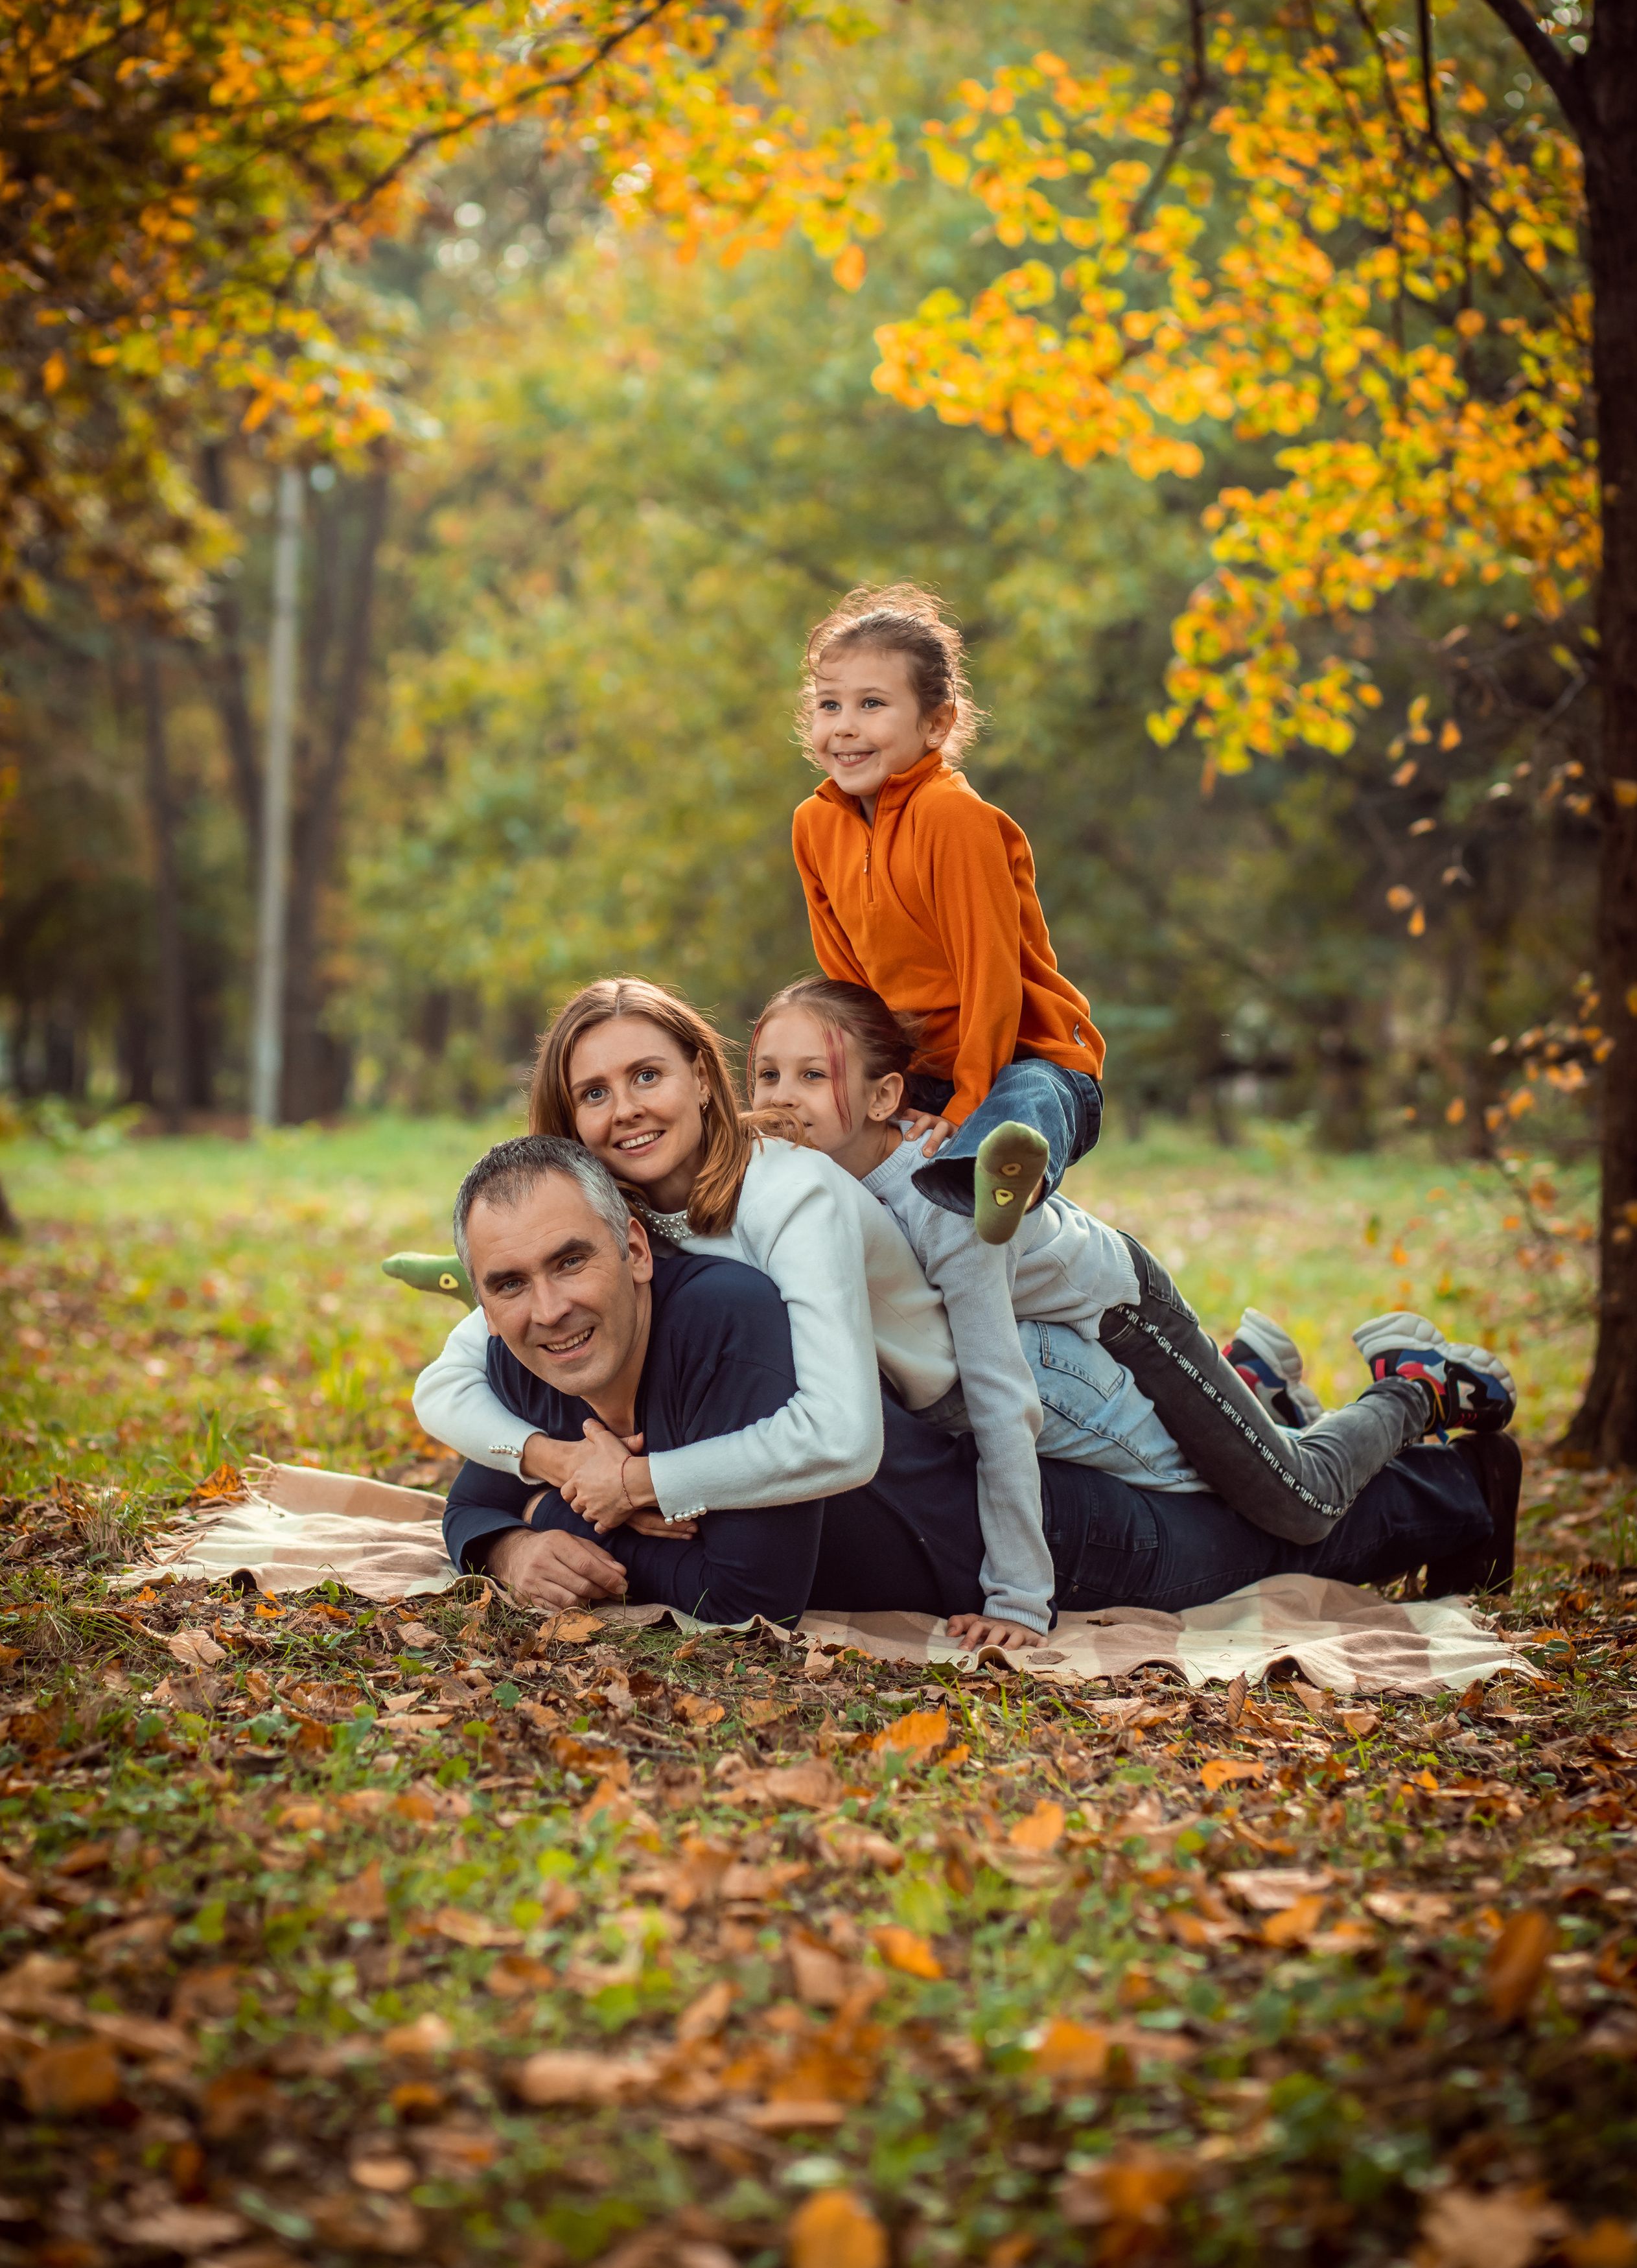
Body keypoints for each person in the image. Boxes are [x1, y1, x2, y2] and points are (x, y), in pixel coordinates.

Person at [441, 1136, 1518, 1628]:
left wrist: (615, 1529)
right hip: (966, 1519)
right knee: (1261, 1499)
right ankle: (1259, 1394)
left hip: (1041, 1538)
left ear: (633, 1249)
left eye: (570, 1260)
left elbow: (749, 1591)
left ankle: (1462, 1475)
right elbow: (477, 1487)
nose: (546, 1308)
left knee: (1291, 1535)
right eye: (510, 1283)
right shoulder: (529, 1351)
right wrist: (517, 1537)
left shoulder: (723, 1324)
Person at [748, 976, 1522, 1642]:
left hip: (1126, 1315)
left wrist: (1019, 1597)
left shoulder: (945, 1199)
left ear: (884, 1096)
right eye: (766, 1076)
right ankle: (1251, 1387)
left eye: (811, 1076)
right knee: (1240, 1461)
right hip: (1072, 1341)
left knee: (1299, 1501)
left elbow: (999, 1395)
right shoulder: (827, 1176)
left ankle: (1415, 1385)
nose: (782, 1099)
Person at [413, 974, 962, 1565]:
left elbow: (844, 1439)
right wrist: (559, 1462)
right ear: (570, 1119)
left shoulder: (791, 1192)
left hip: (933, 1427)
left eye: (647, 1076)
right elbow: (442, 1387)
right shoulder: (613, 1220)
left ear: (701, 1078)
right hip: (811, 1428)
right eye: (594, 1094)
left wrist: (633, 1483)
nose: (627, 1110)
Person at [789, 583, 1104, 1246]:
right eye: (828, 705)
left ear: (936, 724)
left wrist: (967, 1103)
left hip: (1024, 1054)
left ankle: (986, 1179)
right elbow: (846, 981)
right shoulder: (814, 826)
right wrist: (881, 1087)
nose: (843, 726)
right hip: (922, 1076)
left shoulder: (952, 817)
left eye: (871, 705)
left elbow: (990, 974)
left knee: (1027, 1102)